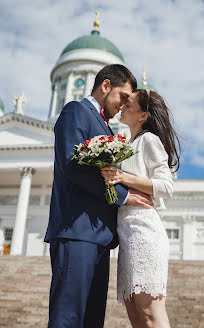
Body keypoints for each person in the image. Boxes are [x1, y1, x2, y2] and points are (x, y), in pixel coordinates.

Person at [44, 64, 152, 328]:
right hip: (76, 232)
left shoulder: (107, 128)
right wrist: (123, 197)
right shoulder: (76, 111)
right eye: (123, 97)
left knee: (92, 321)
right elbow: (72, 165)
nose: (124, 105)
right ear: (106, 86)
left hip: (100, 239)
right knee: (68, 319)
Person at [101, 89, 181, 328]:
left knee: (150, 314)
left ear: (143, 115)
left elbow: (166, 186)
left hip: (145, 231)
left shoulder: (149, 140)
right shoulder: (128, 144)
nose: (123, 106)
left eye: (129, 104)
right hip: (127, 235)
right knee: (136, 317)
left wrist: (123, 177)